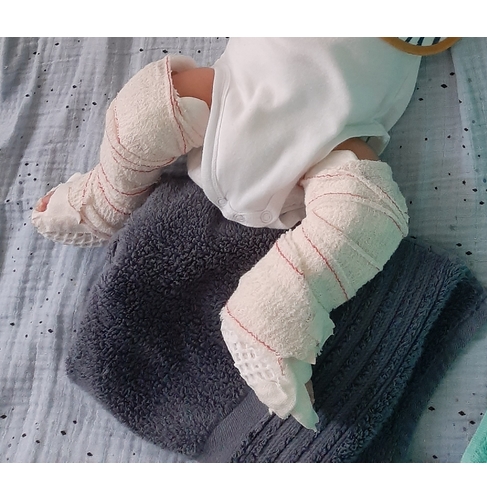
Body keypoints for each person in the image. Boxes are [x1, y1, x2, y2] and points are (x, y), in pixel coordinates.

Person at [32, 38, 423, 430]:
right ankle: (109, 194)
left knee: (369, 209)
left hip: (333, 137)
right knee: (147, 109)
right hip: (232, 92)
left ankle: (272, 306)